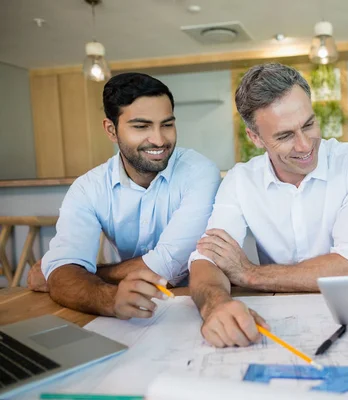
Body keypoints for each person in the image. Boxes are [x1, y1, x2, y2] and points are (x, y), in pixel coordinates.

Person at [188, 63, 348, 348]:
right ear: (255, 138)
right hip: (275, 324)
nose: (305, 146)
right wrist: (215, 306)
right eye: (285, 136)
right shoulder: (240, 180)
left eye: (308, 125)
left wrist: (249, 274)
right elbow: (207, 259)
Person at [27, 72, 221, 320]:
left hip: (203, 303)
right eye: (141, 126)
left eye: (167, 124)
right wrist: (106, 297)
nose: (159, 139)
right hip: (134, 314)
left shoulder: (199, 172)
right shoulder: (88, 188)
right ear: (111, 129)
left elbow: (166, 267)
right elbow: (63, 270)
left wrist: (83, 273)